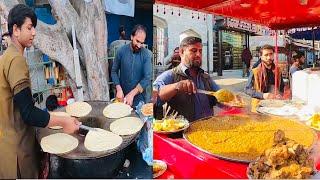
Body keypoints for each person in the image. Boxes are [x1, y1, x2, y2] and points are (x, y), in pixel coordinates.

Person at [0, 4, 80, 178]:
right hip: (18, 153)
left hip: (6, 148)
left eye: (34, 28)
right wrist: (64, 121)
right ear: (15, 29)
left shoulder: (6, 57)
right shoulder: (16, 60)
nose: (34, 33)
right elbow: (28, 113)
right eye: (29, 28)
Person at [153, 36, 220, 121]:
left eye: (200, 51)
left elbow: (220, 96)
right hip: (182, 133)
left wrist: (233, 100)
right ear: (181, 52)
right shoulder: (170, 75)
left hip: (207, 130)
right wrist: (176, 86)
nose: (198, 55)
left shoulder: (206, 77)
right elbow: (154, 96)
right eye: (194, 50)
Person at [111, 24, 152, 107]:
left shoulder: (146, 54)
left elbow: (147, 77)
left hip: (140, 99)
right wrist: (118, 88)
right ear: (131, 37)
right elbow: (114, 71)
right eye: (137, 41)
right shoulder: (121, 51)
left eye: (142, 43)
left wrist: (132, 94)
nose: (139, 45)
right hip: (122, 96)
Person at [244, 44, 285, 111]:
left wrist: (280, 94)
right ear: (261, 56)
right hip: (259, 107)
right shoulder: (255, 70)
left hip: (274, 106)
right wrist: (262, 95)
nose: (269, 57)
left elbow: (282, 87)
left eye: (271, 54)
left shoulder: (278, 70)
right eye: (266, 55)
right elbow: (247, 89)